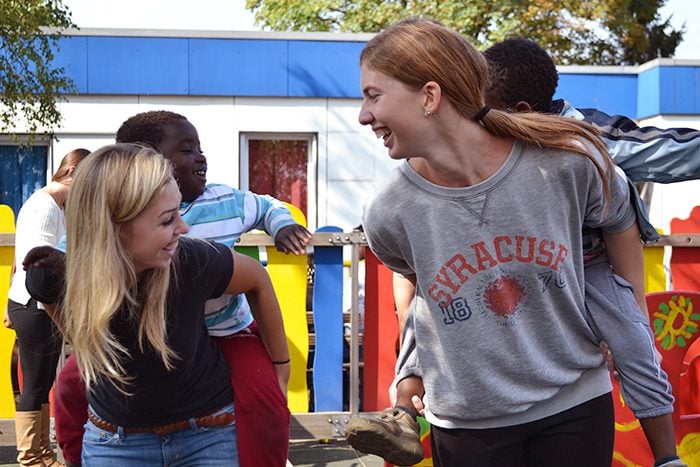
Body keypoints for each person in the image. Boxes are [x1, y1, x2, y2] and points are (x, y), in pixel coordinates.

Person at [346, 18, 676, 466]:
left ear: (429, 95)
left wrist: (631, 309)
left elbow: (620, 220)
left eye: (373, 95)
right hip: (467, 426)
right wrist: (421, 367)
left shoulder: (567, 162)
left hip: (573, 407)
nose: (363, 115)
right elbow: (416, 284)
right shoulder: (389, 211)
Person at [52, 111, 311, 467]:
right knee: (68, 386)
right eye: (186, 150)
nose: (200, 157)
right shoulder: (104, 229)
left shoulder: (220, 208)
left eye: (198, 148)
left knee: (263, 394)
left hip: (223, 329)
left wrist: (282, 225)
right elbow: (78, 253)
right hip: (155, 335)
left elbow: (267, 207)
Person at [5, 148, 90, 467]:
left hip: (33, 306)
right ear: (74, 174)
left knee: (41, 383)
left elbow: (21, 258)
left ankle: (41, 454)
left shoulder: (50, 204)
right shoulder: (46, 208)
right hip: (36, 307)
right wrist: (61, 319)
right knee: (36, 383)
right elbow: (36, 270)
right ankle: (30, 456)